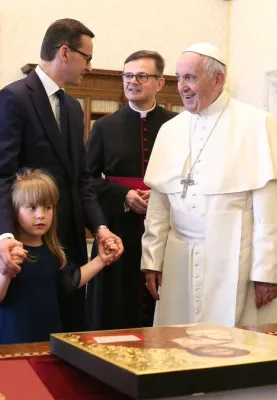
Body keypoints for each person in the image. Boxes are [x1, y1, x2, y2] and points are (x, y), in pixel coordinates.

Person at [141, 43, 277, 327]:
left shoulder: (258, 125)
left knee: (236, 347)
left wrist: (266, 272)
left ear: (218, 79)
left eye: (190, 77)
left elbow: (272, 213)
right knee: (177, 345)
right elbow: (160, 204)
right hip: (179, 257)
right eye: (179, 78)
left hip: (235, 258)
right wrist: (153, 259)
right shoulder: (170, 129)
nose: (182, 87)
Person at [0, 19, 123, 332]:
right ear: (65, 52)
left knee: (71, 334)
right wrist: (4, 236)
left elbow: (82, 180)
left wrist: (100, 227)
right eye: (87, 58)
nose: (88, 67)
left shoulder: (73, 107)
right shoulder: (14, 98)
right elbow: (0, 176)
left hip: (70, 243)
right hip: (29, 244)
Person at [85, 50, 178, 330]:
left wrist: (162, 194)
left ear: (159, 83)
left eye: (141, 75)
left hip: (167, 230)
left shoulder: (176, 126)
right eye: (127, 75)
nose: (132, 81)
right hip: (118, 229)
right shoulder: (104, 126)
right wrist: (122, 195)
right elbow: (86, 178)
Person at [0, 169, 116, 345]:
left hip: (48, 340)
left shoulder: (53, 248)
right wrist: (5, 273)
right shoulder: (1, 251)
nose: (41, 215)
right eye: (31, 207)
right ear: (14, 212)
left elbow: (70, 281)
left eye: (48, 207)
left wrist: (101, 260)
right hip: (10, 342)